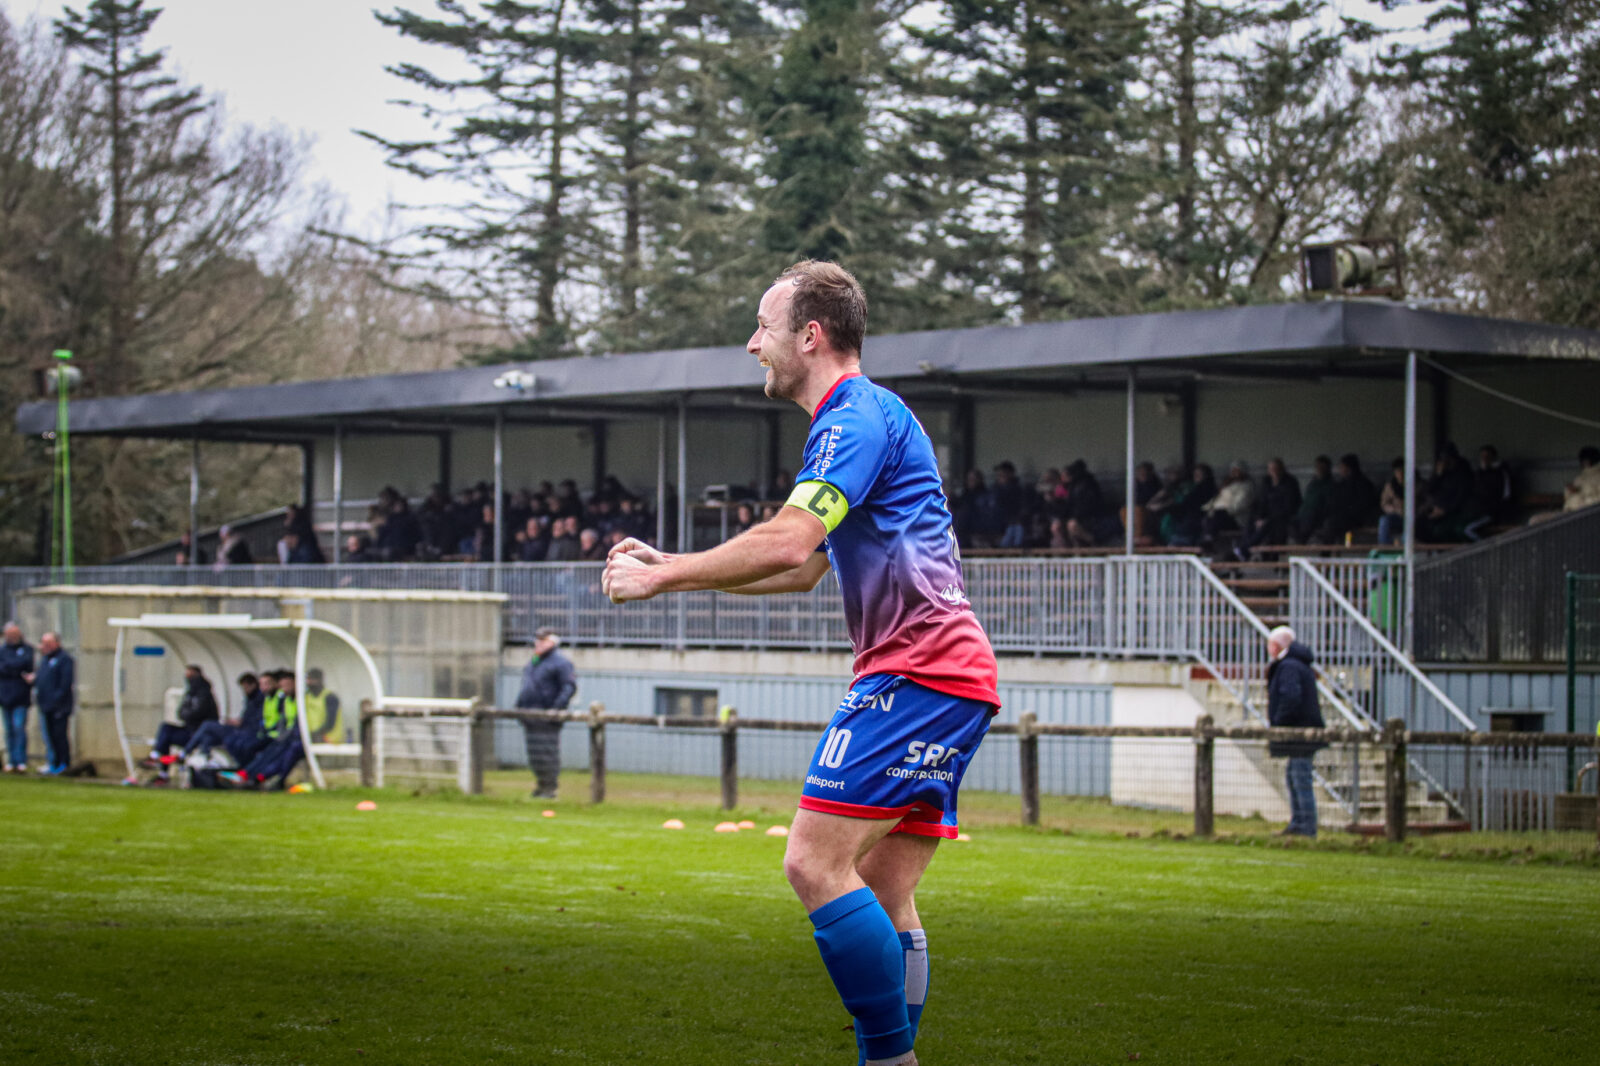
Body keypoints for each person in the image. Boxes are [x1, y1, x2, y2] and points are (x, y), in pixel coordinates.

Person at [603, 260, 999, 1066]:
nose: (753, 345)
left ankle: (889, 1060)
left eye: (763, 327)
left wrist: (660, 577)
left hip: (916, 674)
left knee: (812, 863)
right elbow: (803, 568)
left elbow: (788, 542)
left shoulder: (852, 418)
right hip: (952, 679)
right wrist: (676, 567)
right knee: (883, 890)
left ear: (809, 336)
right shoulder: (873, 418)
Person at [1265, 625, 1325, 838]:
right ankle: (1298, 823)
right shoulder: (1297, 664)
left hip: (1299, 733)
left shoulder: (1289, 667)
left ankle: (1306, 827)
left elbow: (1291, 697)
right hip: (1303, 730)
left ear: (1276, 646)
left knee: (1300, 778)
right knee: (1294, 775)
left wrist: (1279, 722)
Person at [515, 627, 577, 799]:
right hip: (530, 715)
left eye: (543, 640)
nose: (539, 644)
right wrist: (520, 706)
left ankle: (550, 789)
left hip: (547, 718)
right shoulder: (535, 661)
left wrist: (554, 710)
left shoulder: (560, 662)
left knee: (547, 753)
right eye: (538, 640)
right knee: (535, 754)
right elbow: (527, 685)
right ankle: (541, 786)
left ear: (553, 642)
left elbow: (569, 687)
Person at [147, 665, 220, 782]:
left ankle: (175, 758)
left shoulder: (204, 693)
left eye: (190, 675)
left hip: (199, 735)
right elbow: (181, 712)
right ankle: (158, 760)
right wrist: (188, 714)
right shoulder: (190, 693)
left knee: (169, 735)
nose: (188, 678)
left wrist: (187, 714)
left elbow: (197, 712)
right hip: (189, 730)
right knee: (166, 729)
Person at [29, 632, 74, 776]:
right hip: (45, 705)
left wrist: (56, 699)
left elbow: (65, 683)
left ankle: (63, 763)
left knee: (59, 736)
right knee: (49, 737)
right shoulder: (45, 659)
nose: (45, 646)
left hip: (59, 707)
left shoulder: (64, 659)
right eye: (43, 643)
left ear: (57, 643)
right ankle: (52, 762)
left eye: (48, 643)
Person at [1, 623, 34, 773]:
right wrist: (16, 668)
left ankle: (21, 761)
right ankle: (11, 761)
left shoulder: (27, 649)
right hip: (5, 697)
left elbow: (26, 664)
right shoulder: (2, 650)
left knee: (19, 727)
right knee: (9, 730)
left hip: (21, 697)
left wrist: (10, 667)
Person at [302, 668, 342, 743]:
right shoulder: (306, 697)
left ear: (319, 680)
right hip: (310, 739)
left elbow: (330, 722)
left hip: (329, 739)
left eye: (312, 680)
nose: (309, 683)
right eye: (308, 680)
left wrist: (316, 734)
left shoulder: (330, 697)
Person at [1377, 458, 1406, 546]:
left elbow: (1425, 501)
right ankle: (1384, 546)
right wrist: (1395, 510)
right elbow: (1384, 504)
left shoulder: (1417, 484)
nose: (1400, 474)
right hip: (1396, 516)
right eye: (1398, 471)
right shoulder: (1390, 486)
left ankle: (1405, 546)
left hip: (1413, 517)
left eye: (1402, 470)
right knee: (1383, 520)